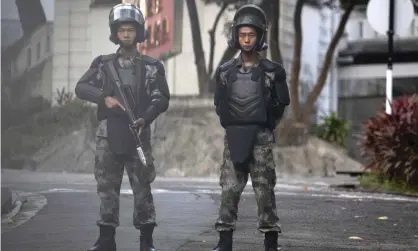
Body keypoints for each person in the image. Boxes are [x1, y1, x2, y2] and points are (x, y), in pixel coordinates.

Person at [74, 3, 170, 251]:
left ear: (138, 32)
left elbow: (161, 98)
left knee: (142, 189)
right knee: (107, 189)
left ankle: (146, 241)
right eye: (121, 30)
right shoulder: (104, 65)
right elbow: (81, 87)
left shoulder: (152, 66)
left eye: (130, 29)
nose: (126, 34)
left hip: (138, 134)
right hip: (108, 136)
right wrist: (103, 97)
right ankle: (106, 240)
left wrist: (145, 119)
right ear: (115, 33)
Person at [212, 4, 290, 251]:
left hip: (261, 139)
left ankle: (271, 243)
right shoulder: (225, 72)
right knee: (229, 191)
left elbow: (280, 106)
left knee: (264, 193)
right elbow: (220, 104)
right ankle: (224, 242)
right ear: (236, 36)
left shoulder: (272, 72)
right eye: (242, 35)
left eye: (251, 35)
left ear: (260, 36)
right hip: (233, 137)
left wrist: (264, 125)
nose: (246, 40)